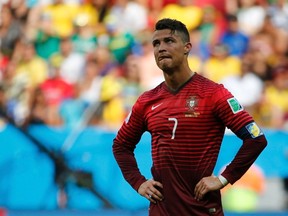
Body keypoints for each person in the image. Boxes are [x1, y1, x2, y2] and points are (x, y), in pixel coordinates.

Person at [112, 18, 267, 215]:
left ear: (187, 47)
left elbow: (256, 138)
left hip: (201, 209)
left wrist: (224, 178)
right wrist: (138, 182)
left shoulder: (213, 93)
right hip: (162, 210)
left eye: (169, 41)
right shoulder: (147, 101)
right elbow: (121, 145)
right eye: (156, 43)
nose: (161, 48)